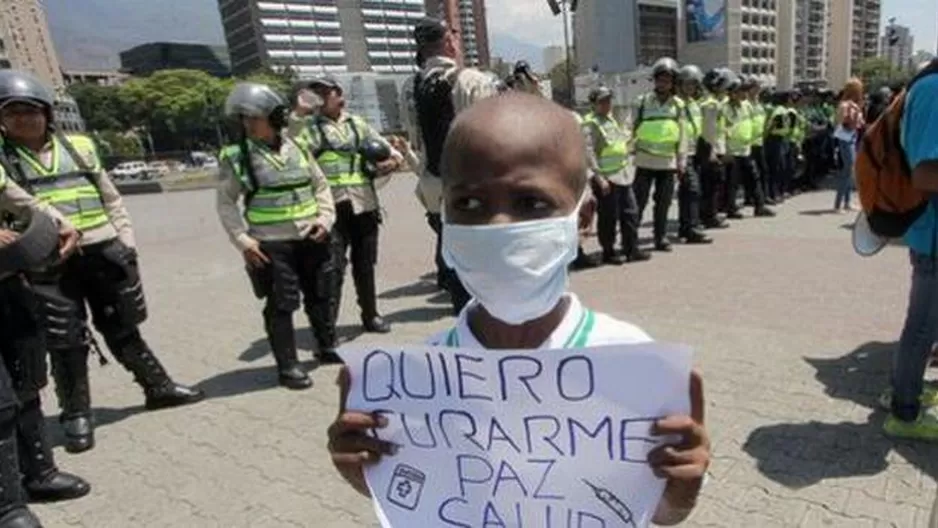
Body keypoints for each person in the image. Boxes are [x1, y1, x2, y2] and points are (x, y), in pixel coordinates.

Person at [326, 92, 710, 524]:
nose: (498, 225)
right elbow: (416, 500)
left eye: (531, 202)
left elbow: (655, 512)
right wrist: (366, 475)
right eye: (469, 204)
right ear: (444, 219)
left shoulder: (632, 364)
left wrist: (680, 494)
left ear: (583, 218)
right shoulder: (413, 383)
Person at [0, 70, 203, 454]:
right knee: (67, 338)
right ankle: (76, 414)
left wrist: (126, 242)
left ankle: (158, 387)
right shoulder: (2, 158)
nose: (23, 119)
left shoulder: (79, 146)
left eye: (30, 110)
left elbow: (111, 196)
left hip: (102, 248)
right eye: (12, 113)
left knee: (122, 324)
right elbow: (17, 200)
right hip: (49, 259)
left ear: (46, 112)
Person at [217, 82, 338, 390]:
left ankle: (327, 346)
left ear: (273, 118)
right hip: (271, 243)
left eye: (253, 118)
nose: (247, 125)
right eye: (243, 119)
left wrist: (325, 219)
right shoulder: (237, 156)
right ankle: (288, 366)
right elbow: (226, 203)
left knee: (321, 294)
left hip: (311, 235)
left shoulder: (298, 147)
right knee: (281, 304)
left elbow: (321, 187)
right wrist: (243, 240)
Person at [0, 160, 89, 526]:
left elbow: (16, 198)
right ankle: (7, 505)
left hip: (6, 280)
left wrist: (55, 219)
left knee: (26, 379)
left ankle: (39, 473)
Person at [403, 16, 499, 314]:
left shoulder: (410, 86)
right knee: (486, 261)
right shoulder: (473, 81)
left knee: (454, 254)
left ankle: (464, 320)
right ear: (448, 41)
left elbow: (414, 138)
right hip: (475, 188)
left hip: (436, 187)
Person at [296, 76, 401, 335]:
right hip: (330, 210)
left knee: (365, 265)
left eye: (325, 92)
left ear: (338, 94)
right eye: (315, 93)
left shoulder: (358, 124)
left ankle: (371, 315)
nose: (320, 97)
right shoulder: (309, 129)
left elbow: (392, 153)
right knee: (332, 269)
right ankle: (327, 328)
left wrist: (390, 163)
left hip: (363, 205)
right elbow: (294, 158)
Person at [876, 60, 938, 440]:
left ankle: (902, 388)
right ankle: (905, 412)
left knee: (924, 326)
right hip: (933, 233)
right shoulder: (934, 89)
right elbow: (926, 173)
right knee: (922, 328)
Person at [583, 86, 653, 266]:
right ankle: (608, 251)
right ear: (593, 104)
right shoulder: (590, 124)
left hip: (622, 175)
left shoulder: (610, 120)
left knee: (630, 212)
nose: (607, 104)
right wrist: (599, 178)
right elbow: (589, 154)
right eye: (602, 101)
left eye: (608, 100)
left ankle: (631, 248)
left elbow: (618, 144)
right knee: (608, 217)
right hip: (606, 178)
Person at [632, 57, 685, 252]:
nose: (663, 83)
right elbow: (632, 128)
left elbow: (683, 134)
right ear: (654, 80)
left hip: (667, 162)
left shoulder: (678, 105)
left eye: (667, 80)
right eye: (660, 79)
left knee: (663, 203)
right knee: (639, 201)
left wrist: (682, 160)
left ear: (673, 82)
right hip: (645, 160)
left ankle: (660, 237)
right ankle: (631, 237)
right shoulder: (642, 102)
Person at [722, 76, 775, 219]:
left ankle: (760, 206)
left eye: (744, 91)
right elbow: (722, 129)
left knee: (754, 177)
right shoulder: (725, 107)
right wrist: (725, 150)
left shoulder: (746, 106)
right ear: (732, 93)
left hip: (746, 148)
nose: (743, 94)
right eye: (740, 91)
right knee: (732, 181)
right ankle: (731, 209)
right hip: (732, 149)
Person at [675, 65, 713, 244]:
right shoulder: (676, 103)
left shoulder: (694, 104)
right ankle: (692, 227)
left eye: (693, 84)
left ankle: (686, 227)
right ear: (680, 84)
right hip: (682, 152)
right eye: (687, 84)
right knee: (692, 189)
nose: (690, 88)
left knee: (687, 192)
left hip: (695, 150)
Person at [698, 69, 730, 230]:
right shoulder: (710, 104)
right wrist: (712, 152)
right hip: (710, 148)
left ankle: (707, 215)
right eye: (723, 85)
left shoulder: (707, 101)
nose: (725, 89)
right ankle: (709, 216)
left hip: (711, 147)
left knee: (710, 184)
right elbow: (709, 130)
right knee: (711, 185)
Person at [832, 78, 864, 213]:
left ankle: (847, 202)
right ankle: (838, 204)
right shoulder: (845, 105)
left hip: (852, 137)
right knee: (846, 171)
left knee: (850, 170)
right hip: (845, 138)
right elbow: (838, 121)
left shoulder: (854, 105)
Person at [763, 91, 794, 203]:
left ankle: (777, 192)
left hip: (780, 139)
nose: (791, 101)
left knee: (780, 167)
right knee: (775, 167)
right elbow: (771, 126)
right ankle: (772, 193)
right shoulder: (779, 111)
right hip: (774, 140)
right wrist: (765, 138)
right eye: (790, 98)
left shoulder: (784, 110)